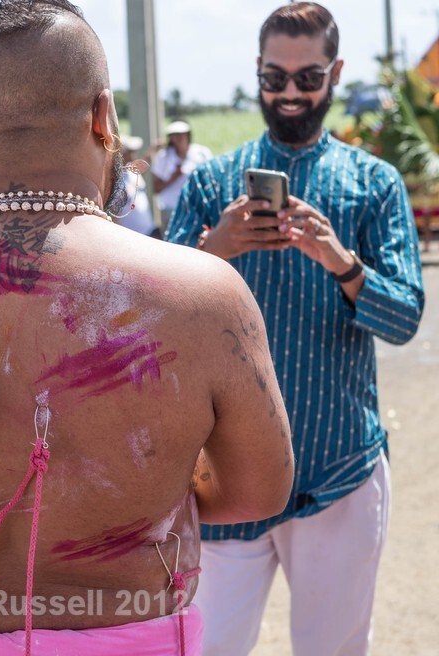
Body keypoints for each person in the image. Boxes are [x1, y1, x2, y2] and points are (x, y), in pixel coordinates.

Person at [0, 2, 294, 654]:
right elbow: (260, 491)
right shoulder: (203, 294)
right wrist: (147, 476)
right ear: (103, 117)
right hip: (128, 633)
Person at [165, 4, 424, 654]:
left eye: (307, 78)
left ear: (335, 73)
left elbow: (404, 318)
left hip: (338, 471)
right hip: (223, 480)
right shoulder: (211, 184)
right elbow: (154, 316)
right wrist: (215, 248)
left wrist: (340, 261)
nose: (289, 93)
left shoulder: (374, 184)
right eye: (274, 78)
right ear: (257, 71)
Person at [150, 119, 211, 228]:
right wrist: (173, 177)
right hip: (171, 209)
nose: (179, 138)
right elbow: (156, 188)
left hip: (196, 208)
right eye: (175, 135)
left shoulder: (202, 153)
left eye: (182, 135)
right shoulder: (163, 157)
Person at [114, 135, 159, 238]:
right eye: (131, 151)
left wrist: (153, 149)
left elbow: (145, 162)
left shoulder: (132, 171)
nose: (134, 154)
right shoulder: (114, 179)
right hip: (131, 236)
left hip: (149, 231)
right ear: (121, 154)